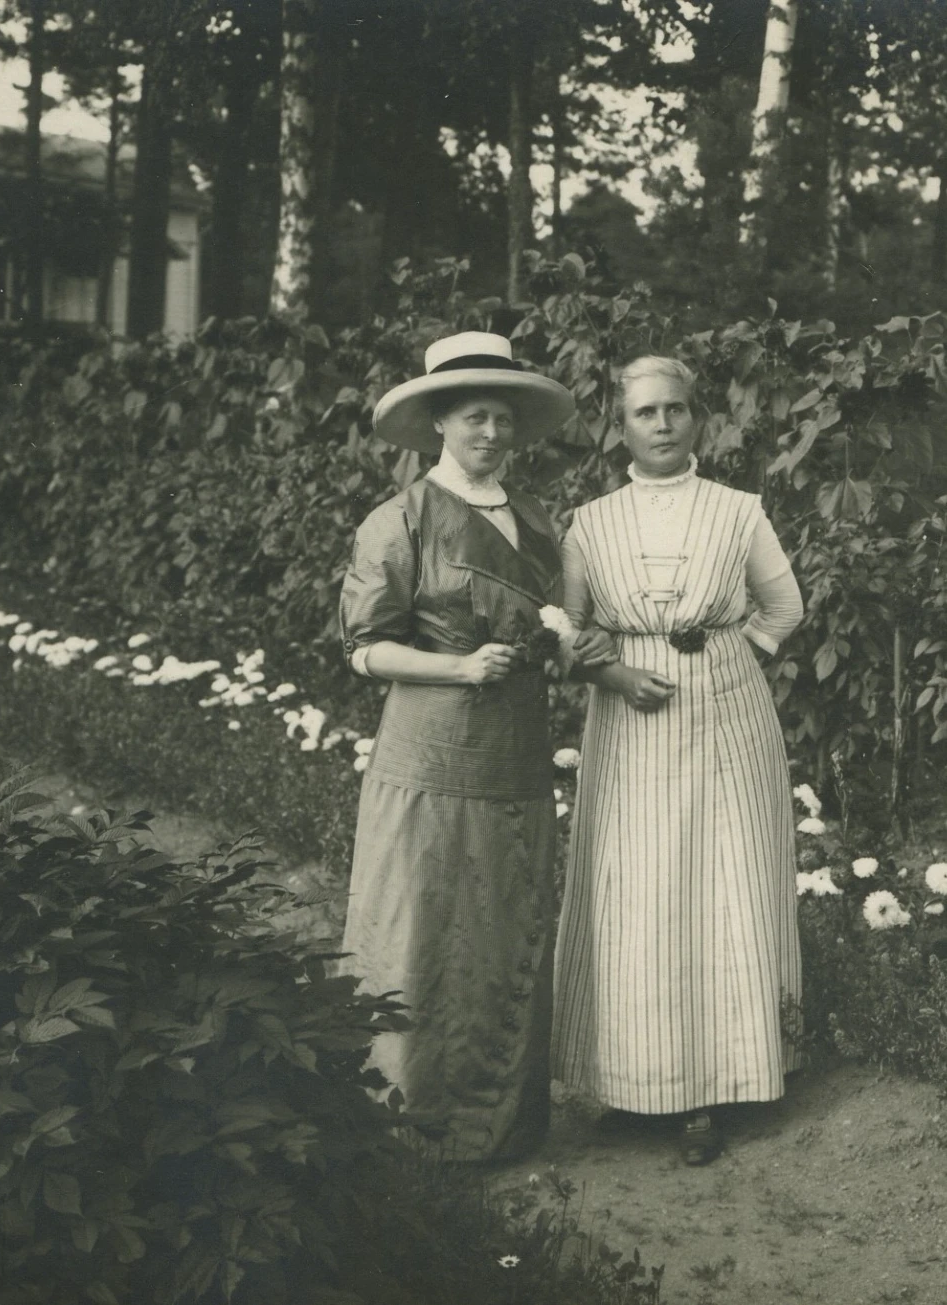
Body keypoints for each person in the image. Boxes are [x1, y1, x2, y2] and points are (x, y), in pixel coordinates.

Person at [336, 330, 611, 1163]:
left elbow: (559, 628)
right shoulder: (400, 520)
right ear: (438, 426)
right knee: (425, 926)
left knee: (505, 921)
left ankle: (500, 1128)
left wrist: (582, 649)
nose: (490, 433)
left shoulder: (535, 519)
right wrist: (457, 665)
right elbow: (365, 648)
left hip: (515, 753)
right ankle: (414, 1123)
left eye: (502, 418)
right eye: (472, 417)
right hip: (429, 756)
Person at [552, 355, 806, 1166]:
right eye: (644, 414)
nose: (661, 425)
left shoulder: (738, 511)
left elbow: (785, 605)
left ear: (699, 419)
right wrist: (613, 669)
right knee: (637, 886)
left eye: (675, 410)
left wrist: (730, 656)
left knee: (722, 882)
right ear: (618, 427)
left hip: (725, 712)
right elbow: (572, 631)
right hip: (628, 719)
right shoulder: (591, 522)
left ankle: (712, 1089)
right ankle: (634, 1081)